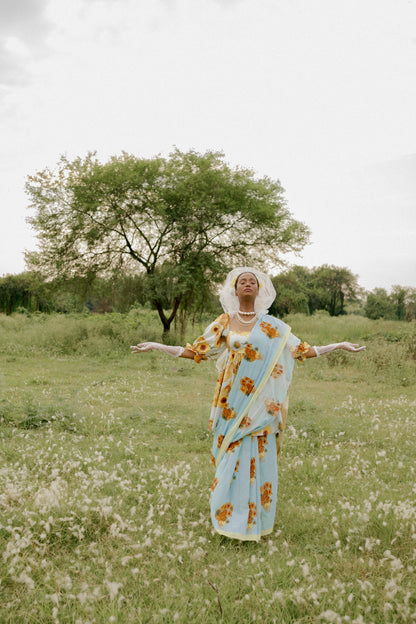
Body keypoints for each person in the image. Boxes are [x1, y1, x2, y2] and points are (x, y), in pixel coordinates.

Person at [131, 267, 365, 541]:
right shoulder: (225, 322)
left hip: (261, 404)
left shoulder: (272, 326)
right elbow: (196, 351)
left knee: (258, 456)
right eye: (242, 281)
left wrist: (337, 345)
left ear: (260, 289)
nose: (247, 284)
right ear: (234, 288)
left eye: (252, 281)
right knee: (230, 453)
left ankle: (254, 522)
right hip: (231, 401)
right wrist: (157, 346)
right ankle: (228, 520)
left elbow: (301, 351)